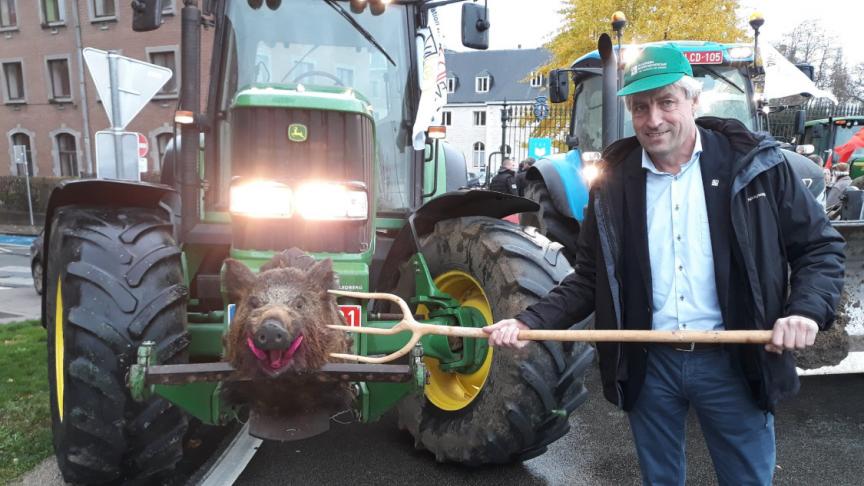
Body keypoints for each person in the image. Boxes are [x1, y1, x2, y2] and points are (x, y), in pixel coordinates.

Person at [483, 45, 845, 485]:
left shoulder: (755, 167)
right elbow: (591, 279)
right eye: (640, 107)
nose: (653, 120)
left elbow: (819, 248)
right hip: (649, 362)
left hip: (733, 360)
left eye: (666, 102)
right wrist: (527, 322)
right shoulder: (614, 184)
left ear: (694, 101)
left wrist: (804, 310)